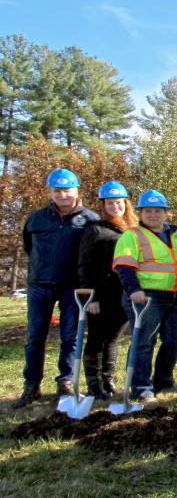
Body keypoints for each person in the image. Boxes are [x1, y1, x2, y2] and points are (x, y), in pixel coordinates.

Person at [14, 168, 99, 408]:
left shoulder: (89, 219)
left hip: (72, 287)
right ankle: (31, 385)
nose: (62, 195)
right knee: (35, 337)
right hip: (40, 285)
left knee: (70, 336)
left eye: (67, 190)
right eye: (57, 190)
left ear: (76, 191)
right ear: (50, 192)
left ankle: (65, 382)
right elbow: (29, 246)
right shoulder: (37, 218)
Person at [112, 190, 177, 402]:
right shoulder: (132, 235)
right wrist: (134, 290)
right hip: (146, 297)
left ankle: (163, 380)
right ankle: (141, 388)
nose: (153, 215)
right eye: (148, 211)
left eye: (157, 211)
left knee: (175, 339)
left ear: (166, 213)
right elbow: (124, 266)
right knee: (144, 341)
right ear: (140, 213)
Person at [77, 181, 137, 400]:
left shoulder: (132, 227)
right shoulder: (95, 229)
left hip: (123, 293)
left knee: (112, 339)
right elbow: (85, 264)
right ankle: (94, 385)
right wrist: (89, 295)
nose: (115, 207)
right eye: (110, 203)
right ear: (103, 205)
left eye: (119, 202)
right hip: (101, 295)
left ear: (125, 204)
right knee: (96, 339)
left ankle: (108, 382)